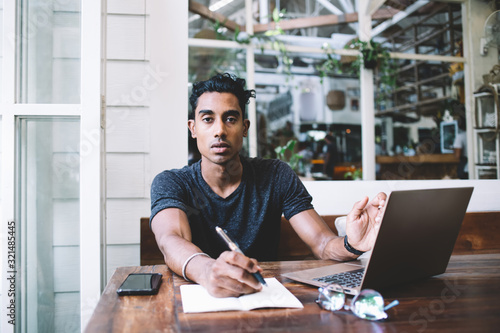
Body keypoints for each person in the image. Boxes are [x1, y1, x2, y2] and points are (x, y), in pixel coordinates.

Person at [150, 73, 386, 298]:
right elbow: (170, 239)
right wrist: (207, 271)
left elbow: (322, 243)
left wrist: (352, 245)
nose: (220, 130)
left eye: (230, 119)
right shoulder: (172, 183)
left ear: (244, 128)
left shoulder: (275, 175)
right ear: (193, 128)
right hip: (195, 298)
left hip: (265, 297)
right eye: (208, 119)